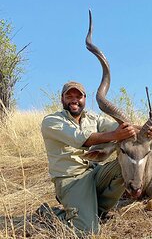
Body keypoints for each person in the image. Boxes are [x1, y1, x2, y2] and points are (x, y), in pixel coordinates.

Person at [41, 81, 146, 234]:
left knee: (124, 164)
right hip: (71, 181)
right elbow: (80, 138)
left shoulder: (92, 118)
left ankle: (97, 211)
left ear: (84, 99)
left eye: (78, 96)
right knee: (88, 230)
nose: (74, 100)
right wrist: (115, 135)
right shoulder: (51, 121)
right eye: (69, 96)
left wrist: (151, 129)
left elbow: (122, 128)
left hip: (93, 174)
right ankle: (49, 213)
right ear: (62, 99)